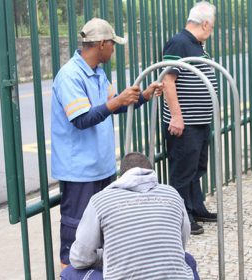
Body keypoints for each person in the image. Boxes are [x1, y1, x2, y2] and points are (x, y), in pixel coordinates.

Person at [51, 17, 163, 268]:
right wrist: (117, 101)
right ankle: (69, 274)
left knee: (100, 230)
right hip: (79, 171)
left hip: (100, 166)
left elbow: (113, 106)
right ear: (101, 44)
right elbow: (81, 119)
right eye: (112, 44)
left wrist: (142, 96)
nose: (114, 49)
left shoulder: (97, 73)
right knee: (75, 231)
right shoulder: (70, 75)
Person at [60, 152, 200, 280]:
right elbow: (181, 243)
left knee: (70, 272)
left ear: (121, 176)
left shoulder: (100, 200)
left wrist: (104, 256)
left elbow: (80, 258)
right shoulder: (172, 194)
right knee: (188, 260)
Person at [162, 1, 218, 235]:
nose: (212, 31)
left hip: (199, 121)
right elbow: (167, 80)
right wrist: (176, 116)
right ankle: (181, 216)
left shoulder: (195, 44)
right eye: (212, 26)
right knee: (183, 171)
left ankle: (196, 207)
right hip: (185, 123)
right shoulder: (179, 42)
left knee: (196, 168)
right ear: (205, 23)